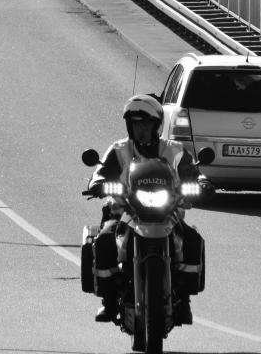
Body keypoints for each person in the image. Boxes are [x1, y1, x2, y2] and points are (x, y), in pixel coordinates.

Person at [87, 94, 207, 325]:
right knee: (103, 241)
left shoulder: (174, 149)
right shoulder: (119, 149)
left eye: (146, 124)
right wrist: (97, 183)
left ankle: (184, 299)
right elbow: (101, 172)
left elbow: (193, 171)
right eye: (136, 124)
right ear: (129, 126)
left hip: (167, 212)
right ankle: (109, 302)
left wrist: (201, 182)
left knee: (192, 239)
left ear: (156, 125)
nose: (141, 129)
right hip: (126, 211)